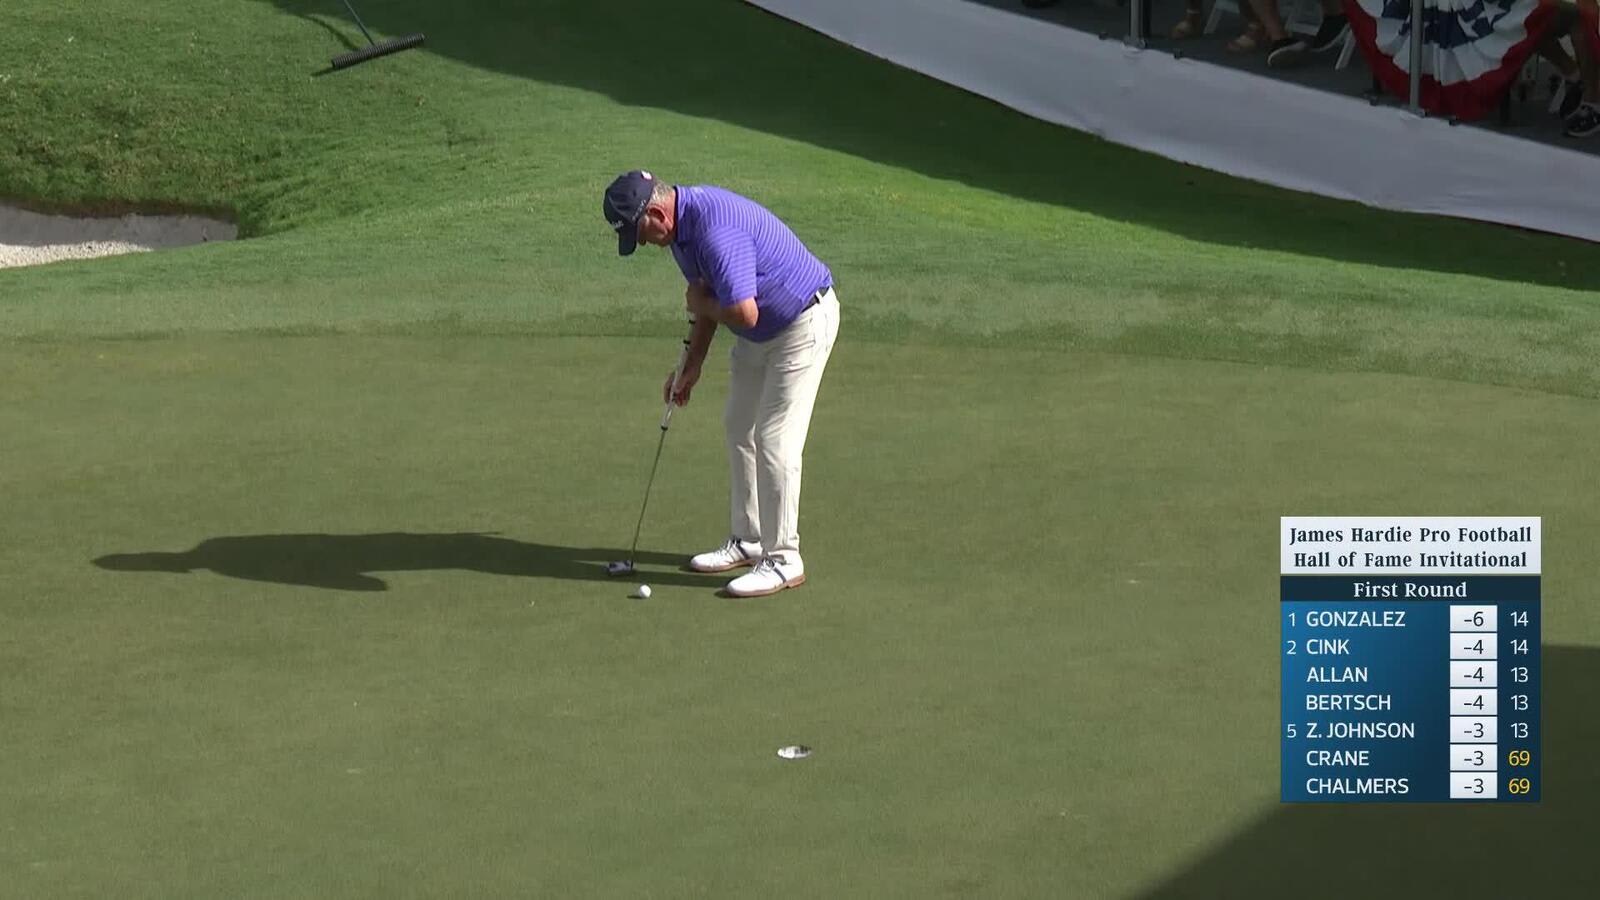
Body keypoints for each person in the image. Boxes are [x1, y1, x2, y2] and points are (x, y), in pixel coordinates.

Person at [602, 171, 841, 598]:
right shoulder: (679, 233)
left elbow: (740, 311)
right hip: (763, 330)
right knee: (738, 426)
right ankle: (750, 540)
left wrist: (701, 304)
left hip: (802, 322)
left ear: (657, 213)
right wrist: (691, 363)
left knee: (775, 441)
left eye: (641, 235)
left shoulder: (714, 231)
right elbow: (712, 297)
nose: (644, 244)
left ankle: (784, 559)